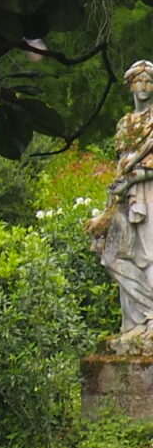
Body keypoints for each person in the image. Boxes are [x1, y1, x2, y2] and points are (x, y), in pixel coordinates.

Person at [88, 59, 153, 339]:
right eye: (139, 81)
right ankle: (136, 320)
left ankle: (151, 321)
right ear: (130, 85)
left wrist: (135, 176)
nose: (144, 86)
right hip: (123, 194)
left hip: (149, 192)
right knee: (115, 254)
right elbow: (120, 158)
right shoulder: (125, 123)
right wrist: (119, 188)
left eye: (149, 81)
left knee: (148, 255)